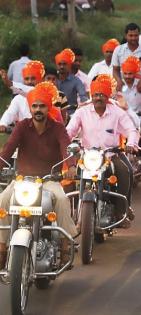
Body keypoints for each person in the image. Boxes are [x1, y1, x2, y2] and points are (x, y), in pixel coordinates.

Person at [0, 82, 78, 269]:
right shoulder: (21, 127)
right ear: (30, 108)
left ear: (49, 106)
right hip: (22, 180)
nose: (38, 110)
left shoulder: (58, 128)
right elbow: (8, 149)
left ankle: (66, 246)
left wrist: (71, 165)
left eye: (42, 105)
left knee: (61, 199)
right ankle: (2, 248)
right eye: (34, 106)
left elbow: (67, 148)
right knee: (2, 200)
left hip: (48, 180)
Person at [66, 75, 139, 222]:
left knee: (126, 172)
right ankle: (71, 212)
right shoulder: (82, 112)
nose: (98, 98)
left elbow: (131, 129)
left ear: (107, 97)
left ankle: (121, 211)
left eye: (102, 95)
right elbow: (69, 131)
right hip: (87, 157)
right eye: (96, 95)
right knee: (69, 175)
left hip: (111, 155)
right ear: (91, 96)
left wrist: (131, 144)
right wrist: (65, 143)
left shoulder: (117, 112)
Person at [119, 56, 141, 165]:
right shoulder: (119, 85)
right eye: (125, 73)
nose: (128, 76)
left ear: (135, 73)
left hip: (139, 118)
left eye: (130, 73)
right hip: (121, 119)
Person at [0, 61, 44, 131]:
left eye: (33, 78)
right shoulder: (18, 98)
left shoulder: (44, 94)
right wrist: (3, 124)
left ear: (40, 80)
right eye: (27, 79)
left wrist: (9, 83)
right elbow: (10, 113)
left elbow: (31, 91)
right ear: (23, 81)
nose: (29, 81)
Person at [112, 23, 141, 93]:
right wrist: (119, 81)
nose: (133, 38)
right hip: (123, 87)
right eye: (131, 35)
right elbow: (115, 70)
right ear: (126, 36)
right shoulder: (118, 50)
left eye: (136, 35)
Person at [55, 49, 88, 113]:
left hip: (71, 113)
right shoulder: (53, 78)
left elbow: (83, 97)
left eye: (64, 64)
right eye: (59, 64)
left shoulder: (76, 81)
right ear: (56, 65)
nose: (62, 66)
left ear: (69, 65)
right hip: (55, 112)